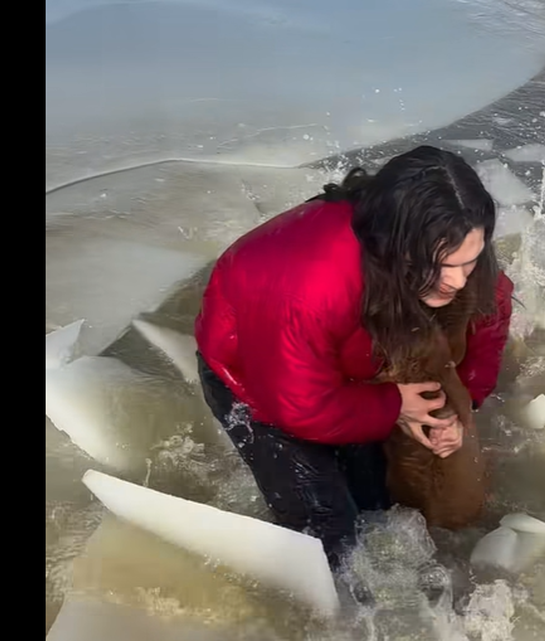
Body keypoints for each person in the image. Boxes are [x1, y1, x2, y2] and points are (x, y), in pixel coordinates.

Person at [194, 145, 514, 588]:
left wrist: (468, 401)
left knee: (380, 508)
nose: (460, 281)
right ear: (396, 244)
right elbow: (299, 407)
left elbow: (491, 308)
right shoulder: (309, 284)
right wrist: (393, 406)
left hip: (354, 352)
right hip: (259, 375)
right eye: (444, 267)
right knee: (331, 532)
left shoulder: (451, 242)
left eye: (470, 261)